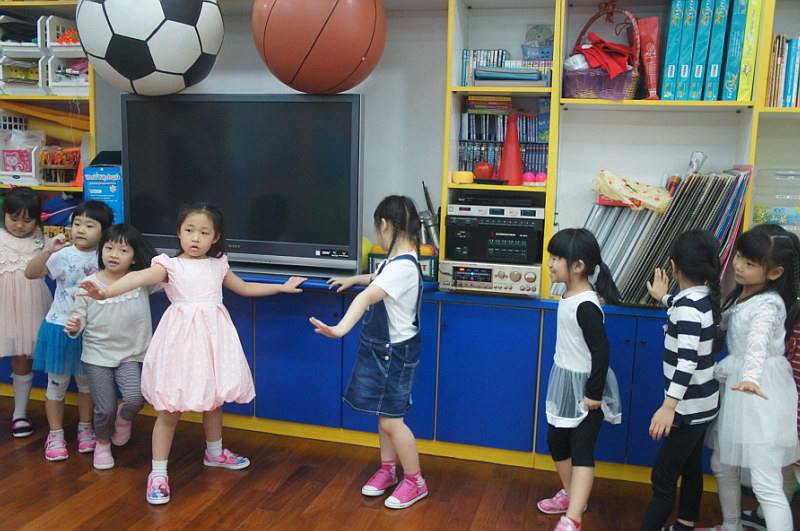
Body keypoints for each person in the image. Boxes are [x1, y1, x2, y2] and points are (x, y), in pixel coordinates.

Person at [79, 202, 306, 504]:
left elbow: (244, 288)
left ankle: (215, 453)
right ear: (179, 233)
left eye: (203, 232)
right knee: (171, 407)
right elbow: (137, 277)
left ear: (215, 237)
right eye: (189, 230)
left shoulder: (218, 264)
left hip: (214, 342)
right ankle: (158, 472)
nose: (195, 237)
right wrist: (106, 292)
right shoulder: (169, 265)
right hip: (180, 345)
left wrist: (281, 287)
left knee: (214, 400)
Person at [309, 195, 428, 510]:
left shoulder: (402, 266)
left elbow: (366, 297)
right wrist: (353, 278)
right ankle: (388, 470)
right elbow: (377, 279)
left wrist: (340, 329)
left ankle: (415, 480)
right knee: (383, 415)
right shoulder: (398, 260)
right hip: (384, 351)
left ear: (384, 225)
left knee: (392, 421)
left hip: (394, 354)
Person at [700, 226, 800, 531]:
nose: (739, 266)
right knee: (722, 463)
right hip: (740, 386)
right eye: (739, 257)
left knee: (766, 479)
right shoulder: (746, 295)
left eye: (750, 263)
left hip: (759, 391)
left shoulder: (769, 304)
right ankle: (731, 525)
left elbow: (758, 342)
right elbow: (724, 322)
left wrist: (752, 378)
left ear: (775, 272)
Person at [535, 228, 622, 531]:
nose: (550, 263)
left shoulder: (586, 305)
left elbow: (602, 351)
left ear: (578, 265)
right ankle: (572, 495)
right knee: (556, 441)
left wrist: (593, 393)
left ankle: (573, 518)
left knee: (582, 449)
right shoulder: (568, 295)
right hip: (564, 380)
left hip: (586, 387)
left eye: (556, 258)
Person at [639, 230, 723, 531]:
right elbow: (680, 305)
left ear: (674, 266)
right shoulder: (701, 299)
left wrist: (668, 406)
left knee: (663, 477)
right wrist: (663, 297)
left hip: (687, 409)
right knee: (690, 468)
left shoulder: (688, 308)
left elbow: (686, 362)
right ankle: (684, 525)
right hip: (704, 404)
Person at [25, 200, 114, 461]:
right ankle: (55, 434)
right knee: (56, 384)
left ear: (104, 230)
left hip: (92, 331)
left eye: (89, 225)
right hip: (60, 327)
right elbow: (31, 273)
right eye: (77, 224)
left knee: (87, 384)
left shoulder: (106, 257)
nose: (81, 229)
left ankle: (85, 428)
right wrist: (47, 250)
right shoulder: (62, 255)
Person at [65, 224, 158, 469]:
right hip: (97, 356)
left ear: (135, 257)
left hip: (129, 355)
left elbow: (167, 272)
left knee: (135, 399)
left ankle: (124, 419)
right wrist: (75, 325)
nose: (114, 254)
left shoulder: (140, 281)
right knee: (104, 408)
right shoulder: (89, 283)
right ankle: (103, 443)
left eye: (123, 250)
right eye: (108, 248)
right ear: (101, 251)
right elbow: (78, 316)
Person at [0, 187, 52, 438]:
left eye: (27, 220)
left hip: (31, 307)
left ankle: (19, 413)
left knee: (23, 357)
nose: (20, 225)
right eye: (14, 218)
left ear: (37, 219)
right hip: (3, 308)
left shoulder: (44, 242)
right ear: (4, 215)